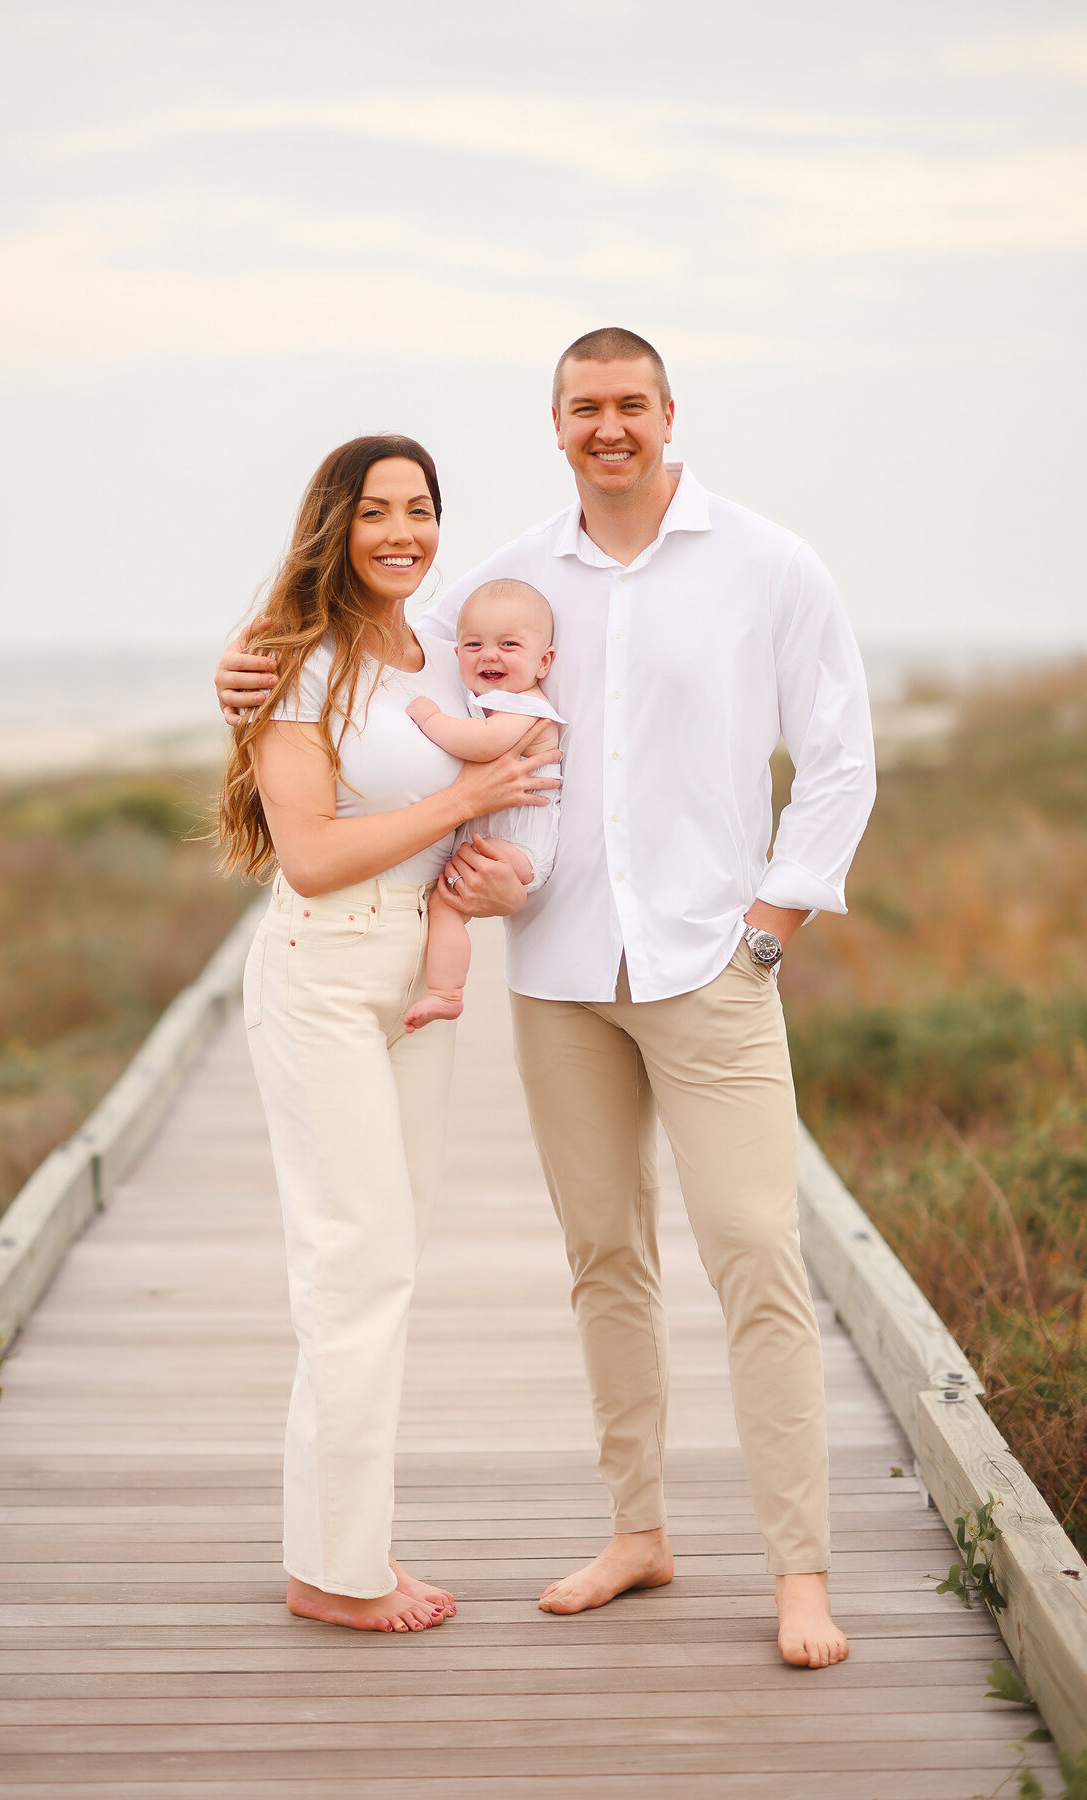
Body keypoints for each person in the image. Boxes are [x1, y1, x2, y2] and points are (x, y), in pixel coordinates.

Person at [215, 328, 876, 1669]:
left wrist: (771, 924)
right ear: (557, 422)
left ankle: (799, 1572)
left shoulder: (765, 564)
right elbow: (370, 654)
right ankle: (638, 1532)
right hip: (562, 976)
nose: (610, 426)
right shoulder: (505, 582)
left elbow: (841, 754)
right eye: (585, 407)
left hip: (710, 967)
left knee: (756, 1257)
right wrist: (232, 671)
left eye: (632, 404)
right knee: (602, 1263)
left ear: (670, 414)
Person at [217, 433, 559, 1634]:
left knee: (389, 1262)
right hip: (323, 967)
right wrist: (469, 798)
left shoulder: (443, 646)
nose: (403, 531)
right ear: (335, 525)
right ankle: (333, 1571)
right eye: (377, 512)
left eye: (421, 509)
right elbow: (309, 855)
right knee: (354, 1261)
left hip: (421, 962)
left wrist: (492, 871)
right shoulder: (293, 662)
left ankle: (350, 1548)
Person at [402, 578, 564, 1031]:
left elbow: (483, 745)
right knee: (445, 905)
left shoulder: (526, 706)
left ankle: (446, 991)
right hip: (497, 843)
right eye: (474, 644)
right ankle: (445, 993)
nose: (489, 654)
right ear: (456, 655)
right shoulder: (484, 702)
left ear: (543, 661)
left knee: (448, 901)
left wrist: (429, 718)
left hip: (521, 848)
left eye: (509, 644)